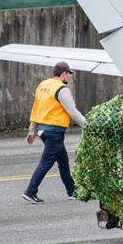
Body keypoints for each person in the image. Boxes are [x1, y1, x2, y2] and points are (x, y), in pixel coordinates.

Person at [22, 61, 85, 204]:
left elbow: (36, 107)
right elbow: (73, 112)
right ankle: (30, 191)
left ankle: (72, 191)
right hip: (54, 132)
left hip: (44, 130)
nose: (68, 76)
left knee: (63, 161)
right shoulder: (62, 90)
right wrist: (87, 125)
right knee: (46, 163)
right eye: (68, 74)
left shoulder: (43, 85)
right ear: (64, 74)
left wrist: (32, 130)